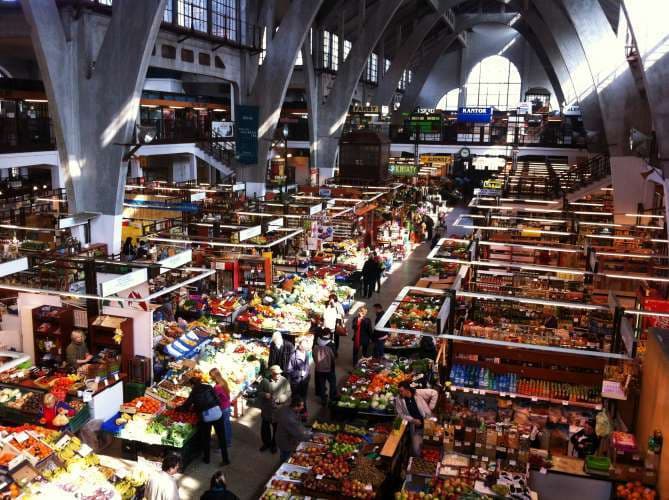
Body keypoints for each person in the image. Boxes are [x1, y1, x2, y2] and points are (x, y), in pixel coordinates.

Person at [175, 377, 230, 465]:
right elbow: (217, 399)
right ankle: (226, 459)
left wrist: (176, 408)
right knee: (221, 437)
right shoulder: (209, 387)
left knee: (206, 438)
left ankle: (207, 459)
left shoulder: (193, 392)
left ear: (192, 385)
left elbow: (186, 407)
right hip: (217, 413)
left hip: (206, 417)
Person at [395, 381, 439, 456]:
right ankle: (419, 462)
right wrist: (412, 420)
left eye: (401, 391)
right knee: (416, 450)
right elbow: (400, 414)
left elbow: (434, 393)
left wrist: (430, 408)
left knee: (432, 445)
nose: (400, 393)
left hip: (428, 423)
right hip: (416, 428)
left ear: (407, 389)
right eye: (399, 391)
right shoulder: (399, 399)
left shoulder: (418, 393)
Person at [258, 365, 292, 453]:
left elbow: (288, 392)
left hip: (278, 410)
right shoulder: (264, 381)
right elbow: (258, 392)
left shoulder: (284, 380)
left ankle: (274, 445)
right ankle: (266, 443)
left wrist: (282, 398)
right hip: (267, 410)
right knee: (265, 429)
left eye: (279, 373)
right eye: (276, 374)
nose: (278, 375)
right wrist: (264, 394)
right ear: (271, 373)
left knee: (276, 430)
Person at [275, 397, 310, 462]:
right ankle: (283, 463)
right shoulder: (290, 419)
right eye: (301, 406)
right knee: (286, 457)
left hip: (280, 436)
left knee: (283, 453)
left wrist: (301, 416)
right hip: (286, 442)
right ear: (296, 406)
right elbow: (300, 434)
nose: (303, 407)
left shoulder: (285, 408)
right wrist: (311, 437)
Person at [209, 368, 233, 448]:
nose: (210, 378)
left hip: (223, 408)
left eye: (211, 377)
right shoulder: (223, 382)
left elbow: (214, 399)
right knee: (227, 424)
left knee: (223, 427)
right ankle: (229, 441)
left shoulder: (217, 387)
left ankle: (224, 444)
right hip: (227, 406)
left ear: (214, 377)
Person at [286, 338, 310, 411]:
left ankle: (303, 412)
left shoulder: (306, 354)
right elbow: (289, 370)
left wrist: (307, 374)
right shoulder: (293, 356)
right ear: (300, 346)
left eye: (306, 347)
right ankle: (293, 414)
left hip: (304, 380)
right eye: (304, 346)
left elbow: (307, 365)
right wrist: (300, 373)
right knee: (296, 398)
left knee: (304, 397)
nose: (305, 348)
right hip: (296, 382)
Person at [313, 332, 337, 405]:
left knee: (322, 385)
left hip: (319, 369)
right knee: (332, 383)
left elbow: (314, 356)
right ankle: (332, 397)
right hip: (329, 369)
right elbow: (333, 357)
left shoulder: (316, 347)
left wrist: (317, 364)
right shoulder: (329, 347)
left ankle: (323, 400)